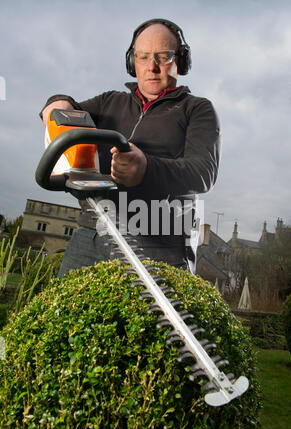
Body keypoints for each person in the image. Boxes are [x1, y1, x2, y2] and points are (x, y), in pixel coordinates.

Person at [40, 18, 221, 277]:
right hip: (91, 235)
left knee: (156, 318)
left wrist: (146, 168)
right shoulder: (108, 102)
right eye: (143, 56)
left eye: (164, 56)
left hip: (158, 244)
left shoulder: (197, 109)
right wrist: (57, 104)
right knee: (61, 313)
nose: (152, 66)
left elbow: (204, 172)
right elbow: (66, 109)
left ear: (181, 60)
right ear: (131, 61)